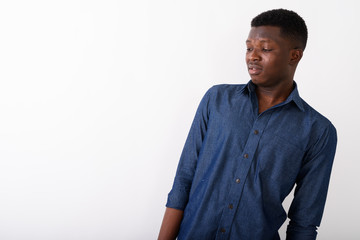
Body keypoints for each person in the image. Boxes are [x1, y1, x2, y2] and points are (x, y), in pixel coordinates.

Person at [158, 9, 337, 240]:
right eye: (249, 47)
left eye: (265, 48)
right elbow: (183, 182)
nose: (252, 56)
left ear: (295, 55)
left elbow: (304, 222)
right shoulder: (217, 100)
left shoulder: (318, 131)